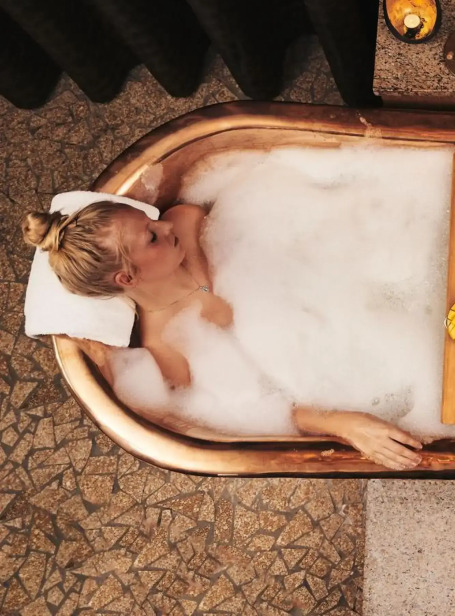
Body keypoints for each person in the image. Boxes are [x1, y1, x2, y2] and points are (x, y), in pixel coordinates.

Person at [22, 201, 423, 470]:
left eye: (149, 221)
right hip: (347, 355)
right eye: (151, 237)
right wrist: (344, 423)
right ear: (127, 278)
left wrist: (200, 272)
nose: (163, 224)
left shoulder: (183, 228)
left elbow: (190, 212)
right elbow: (257, 407)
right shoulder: (169, 348)